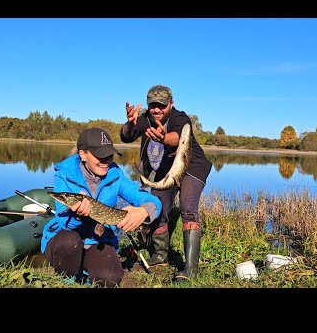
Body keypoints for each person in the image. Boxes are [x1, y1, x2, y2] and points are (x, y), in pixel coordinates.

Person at [41, 127, 162, 288]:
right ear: (83, 154)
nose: (106, 162)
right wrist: (78, 216)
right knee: (69, 242)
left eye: (109, 156)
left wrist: (144, 210)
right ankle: (68, 278)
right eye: (100, 156)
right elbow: (63, 223)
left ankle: (85, 267)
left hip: (95, 240)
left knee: (110, 278)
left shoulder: (116, 175)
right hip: (63, 238)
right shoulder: (64, 174)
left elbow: (153, 200)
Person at [120, 84, 212, 280]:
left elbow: (176, 138)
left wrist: (163, 138)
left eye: (161, 105)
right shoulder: (144, 119)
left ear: (171, 103)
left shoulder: (181, 118)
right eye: (153, 105)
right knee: (158, 207)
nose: (157, 110)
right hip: (165, 171)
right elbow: (126, 137)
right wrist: (129, 123)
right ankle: (160, 254)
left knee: (188, 208)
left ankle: (191, 270)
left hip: (191, 166)